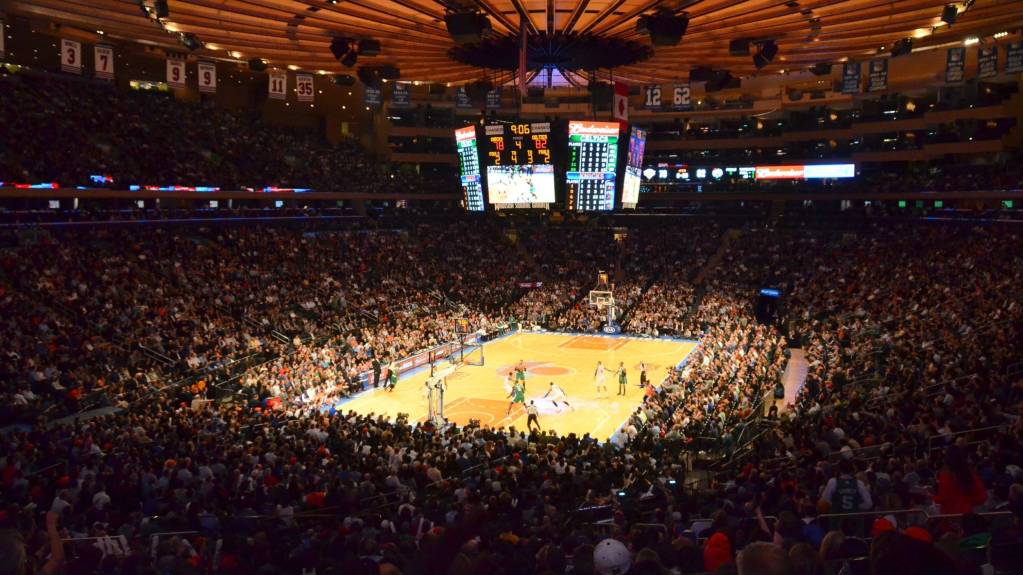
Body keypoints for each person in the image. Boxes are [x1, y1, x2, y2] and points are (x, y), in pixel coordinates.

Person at [933, 446, 988, 514]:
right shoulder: (971, 474)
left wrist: (931, 496)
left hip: (950, 516)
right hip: (967, 514)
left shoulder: (945, 475)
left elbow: (942, 498)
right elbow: (982, 496)